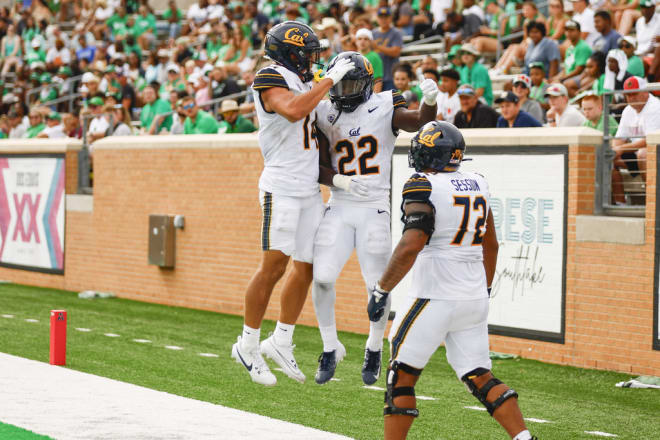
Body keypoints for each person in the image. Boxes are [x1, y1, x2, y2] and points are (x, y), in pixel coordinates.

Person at [369, 120, 537, 440]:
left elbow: (412, 243)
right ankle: (524, 438)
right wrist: (484, 289)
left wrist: (382, 287)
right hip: (473, 297)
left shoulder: (423, 183)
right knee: (479, 375)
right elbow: (492, 244)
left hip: (434, 294)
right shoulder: (478, 181)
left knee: (400, 377)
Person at [230, 21, 356, 386]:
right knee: (273, 267)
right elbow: (293, 111)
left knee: (308, 265)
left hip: (307, 190)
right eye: (308, 54)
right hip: (281, 188)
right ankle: (248, 344)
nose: (313, 60)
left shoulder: (303, 80)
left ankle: (282, 340)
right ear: (291, 53)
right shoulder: (269, 75)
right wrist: (327, 81)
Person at [311, 51, 438, 385]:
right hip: (339, 204)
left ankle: (373, 346)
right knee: (321, 277)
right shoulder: (324, 111)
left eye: (351, 83)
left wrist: (429, 100)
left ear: (366, 84)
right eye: (340, 83)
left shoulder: (383, 105)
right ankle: (329, 346)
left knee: (376, 286)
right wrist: (337, 180)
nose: (344, 90)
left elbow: (418, 123)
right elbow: (317, 165)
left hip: (374, 207)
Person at [611, 76, 660, 203]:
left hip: (655, 152)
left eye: (634, 94)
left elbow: (650, 140)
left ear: (645, 92)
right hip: (636, 153)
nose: (631, 98)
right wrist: (614, 149)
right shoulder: (628, 110)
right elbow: (619, 138)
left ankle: (652, 202)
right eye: (628, 95)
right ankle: (620, 203)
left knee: (643, 153)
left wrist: (621, 148)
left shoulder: (655, 106)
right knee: (608, 156)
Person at [553, 20, 592, 90]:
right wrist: (555, 78)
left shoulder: (583, 47)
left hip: (581, 77)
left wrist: (562, 79)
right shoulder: (570, 48)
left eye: (572, 30)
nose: (568, 33)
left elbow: (579, 70)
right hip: (570, 77)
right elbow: (566, 69)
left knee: (562, 85)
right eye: (567, 30)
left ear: (579, 32)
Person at [373, 7, 403, 91]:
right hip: (375, 78)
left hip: (390, 76)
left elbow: (396, 52)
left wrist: (377, 47)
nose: (383, 20)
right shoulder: (373, 33)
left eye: (386, 17)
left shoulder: (396, 32)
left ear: (390, 18)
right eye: (381, 17)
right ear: (377, 19)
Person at [355, 28, 384, 93]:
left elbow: (378, 80)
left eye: (366, 39)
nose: (362, 41)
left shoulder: (375, 57)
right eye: (360, 39)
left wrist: (375, 97)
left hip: (369, 94)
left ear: (370, 42)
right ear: (356, 41)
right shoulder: (353, 56)